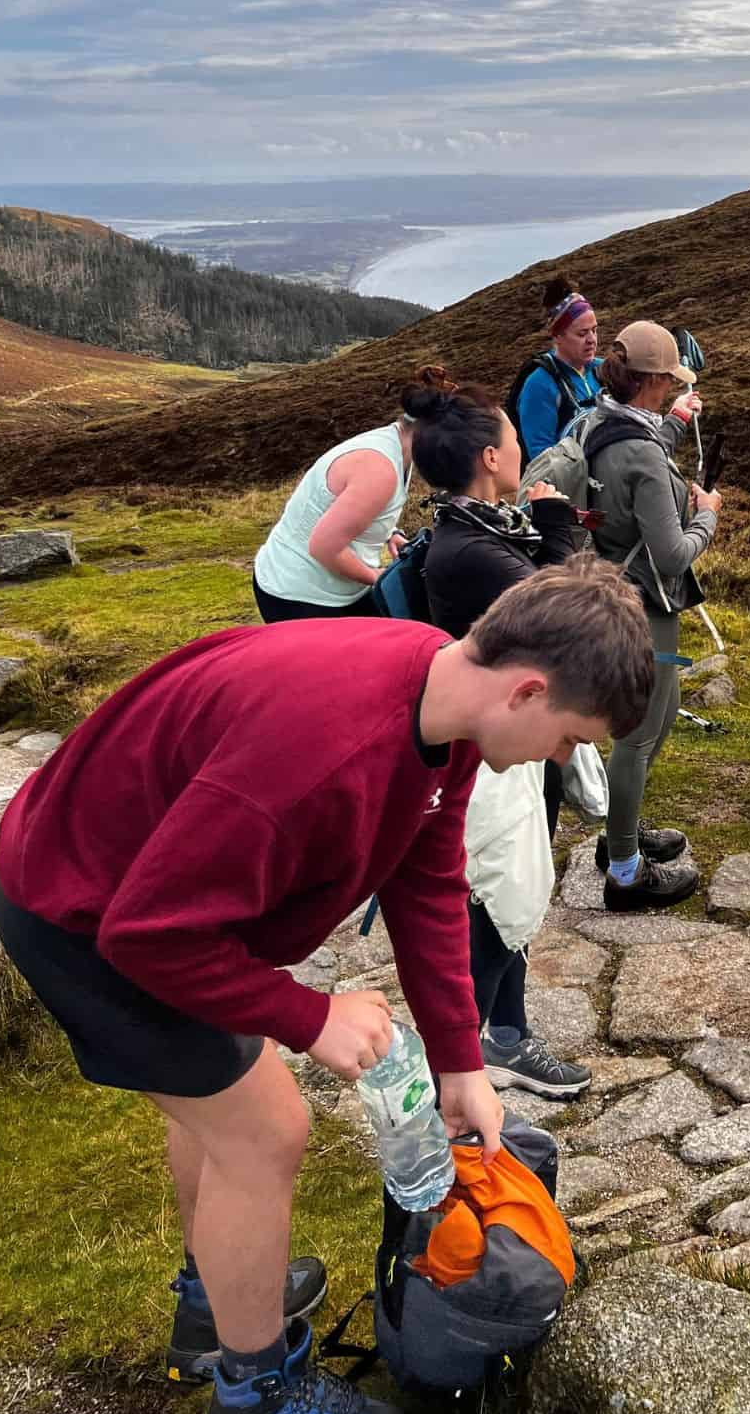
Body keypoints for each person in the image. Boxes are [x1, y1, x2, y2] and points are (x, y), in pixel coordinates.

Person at [0, 557, 651, 1414]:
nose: (564, 759)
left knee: (224, 1103)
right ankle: (254, 1399)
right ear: (528, 690)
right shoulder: (320, 747)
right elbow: (147, 937)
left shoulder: (441, 696)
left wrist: (460, 1058)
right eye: (571, 736)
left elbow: (426, 873)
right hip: (77, 910)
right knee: (265, 1130)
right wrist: (308, 1014)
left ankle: (211, 1308)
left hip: (144, 893)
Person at [414, 384, 591, 1096]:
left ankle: (506, 1034)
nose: (522, 447)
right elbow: (569, 619)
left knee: (512, 888)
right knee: (495, 894)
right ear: (491, 457)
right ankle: (463, 1058)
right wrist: (557, 525)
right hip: (494, 751)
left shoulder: (477, 532)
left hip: (513, 738)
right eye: (514, 438)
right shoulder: (472, 552)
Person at [585, 320, 719, 910]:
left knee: (655, 724)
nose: (672, 389)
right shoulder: (639, 449)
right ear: (653, 381)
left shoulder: (602, 421)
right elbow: (671, 553)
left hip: (618, 592)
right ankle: (624, 871)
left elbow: (639, 448)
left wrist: (676, 423)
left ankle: (623, 831)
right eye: (668, 383)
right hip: (648, 602)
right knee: (640, 736)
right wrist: (707, 515)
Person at [251, 367, 458, 622]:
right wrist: (378, 577)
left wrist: (389, 533)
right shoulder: (379, 469)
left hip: (332, 585)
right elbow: (323, 546)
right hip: (299, 594)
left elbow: (351, 507)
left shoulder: (398, 446)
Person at [509, 278, 602, 466]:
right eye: (582, 334)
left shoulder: (603, 370)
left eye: (594, 330)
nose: (592, 340)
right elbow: (542, 458)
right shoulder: (540, 384)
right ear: (558, 336)